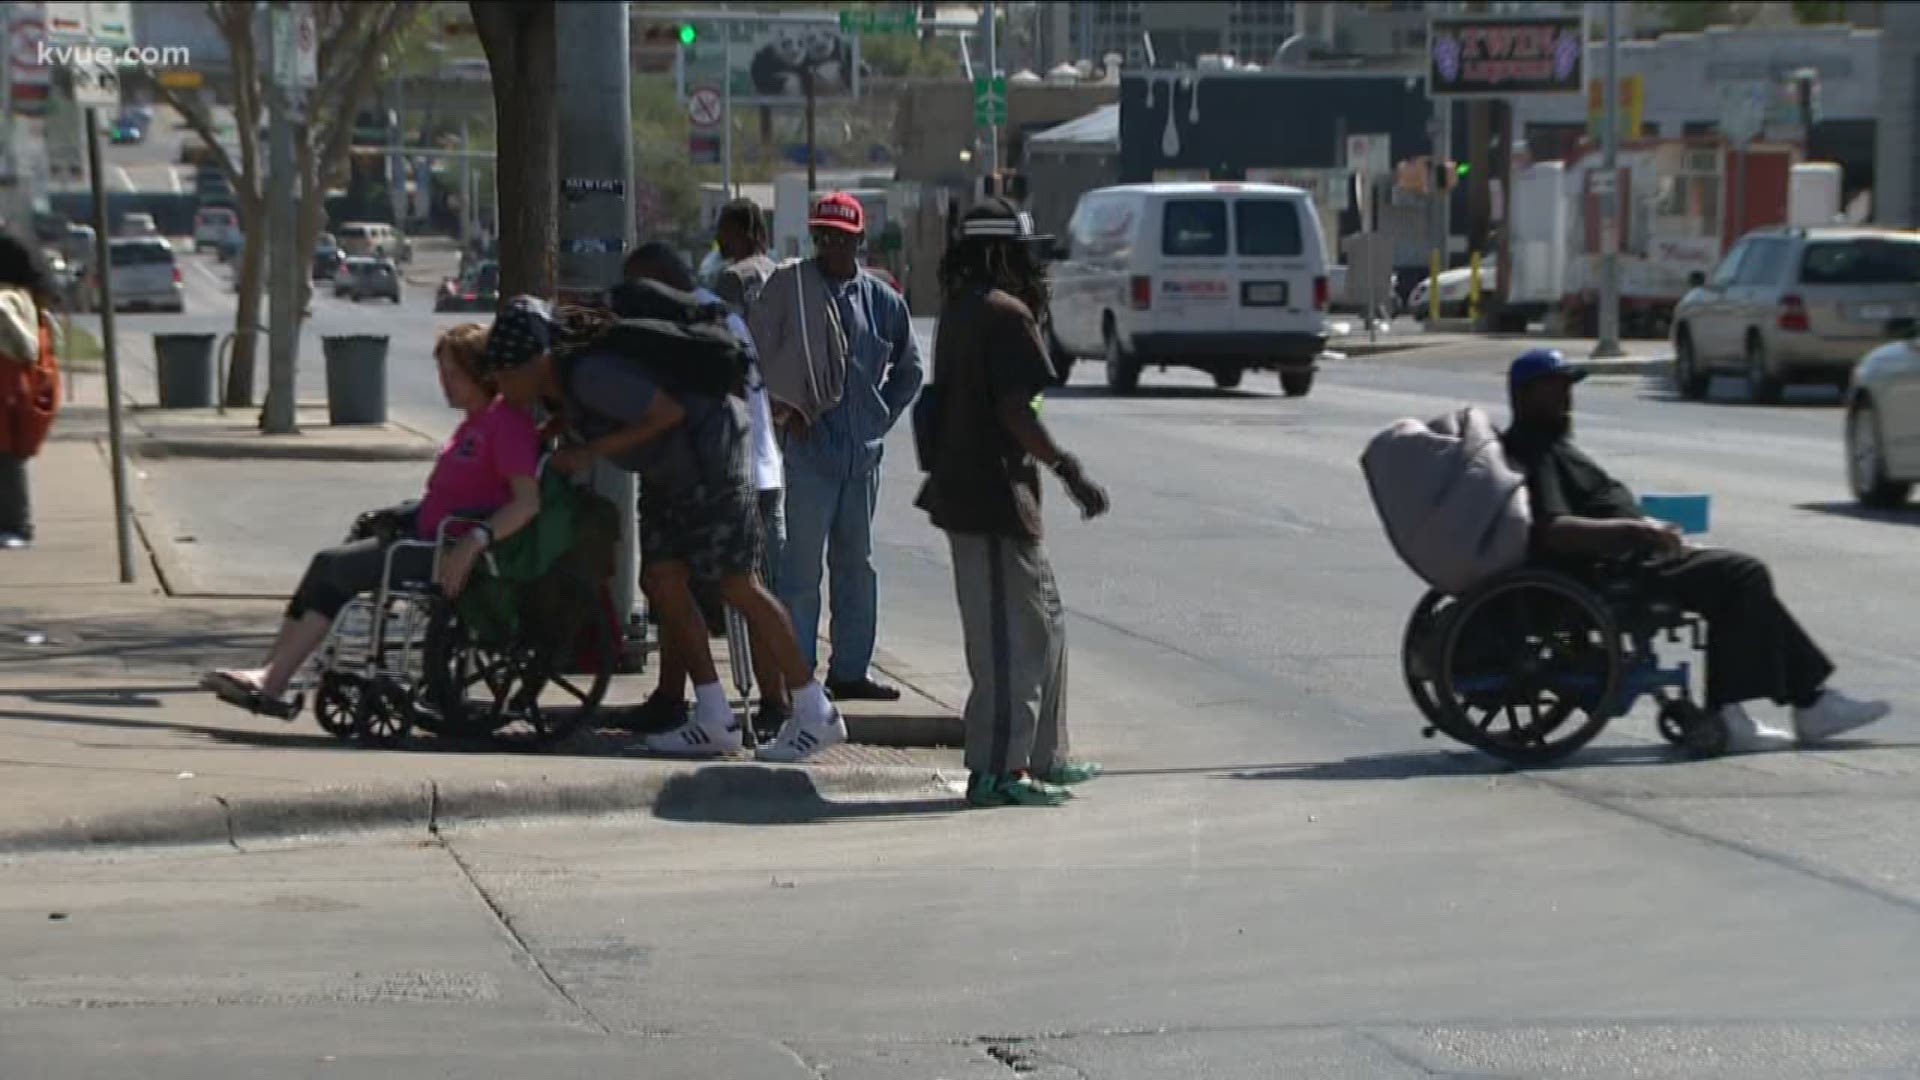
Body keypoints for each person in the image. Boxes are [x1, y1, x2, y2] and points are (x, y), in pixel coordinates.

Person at [482, 295, 847, 762]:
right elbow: (601, 414)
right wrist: (551, 431)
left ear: (534, 362)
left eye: (505, 373)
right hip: (669, 476)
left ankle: (816, 712)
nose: (501, 384)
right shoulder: (565, 384)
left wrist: (589, 453)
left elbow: (665, 414)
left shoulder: (590, 374)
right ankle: (714, 717)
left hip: (711, 463)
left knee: (738, 585)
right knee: (661, 580)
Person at [1500, 348, 1889, 751]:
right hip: (1612, 573)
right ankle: (1743, 711)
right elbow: (1554, 530)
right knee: (1740, 575)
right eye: (1555, 388)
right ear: (1526, 395)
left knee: (1733, 573)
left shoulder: (1549, 443)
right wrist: (1636, 530)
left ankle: (1811, 701)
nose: (1567, 397)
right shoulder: (1536, 451)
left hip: (1628, 558)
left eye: (1568, 387)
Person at [201, 324, 541, 717]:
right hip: (423, 535)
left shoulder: (507, 425)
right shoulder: (472, 422)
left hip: (451, 549)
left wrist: (475, 541)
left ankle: (273, 679)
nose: (444, 384)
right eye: (442, 373)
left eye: (453, 374)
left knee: (337, 567)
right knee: (325, 564)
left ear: (481, 372)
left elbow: (526, 503)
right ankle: (268, 673)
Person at [916, 198, 1112, 807]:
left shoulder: (963, 310)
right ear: (1000, 252)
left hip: (990, 498)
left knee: (1045, 623)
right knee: (1009, 641)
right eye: (1026, 252)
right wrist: (1067, 468)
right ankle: (998, 769)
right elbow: (1015, 410)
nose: (1036, 265)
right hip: (990, 499)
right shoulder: (1004, 315)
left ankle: (1043, 755)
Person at [750, 191, 924, 702]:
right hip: (809, 454)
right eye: (822, 236)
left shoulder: (882, 301)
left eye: (841, 238)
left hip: (861, 457)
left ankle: (850, 670)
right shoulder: (791, 289)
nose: (830, 247)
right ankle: (797, 673)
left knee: (856, 565)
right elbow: (758, 355)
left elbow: (909, 371)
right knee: (801, 569)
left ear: (859, 241)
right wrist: (785, 411)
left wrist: (879, 418)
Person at [618, 242, 792, 741]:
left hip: (731, 475)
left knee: (744, 590)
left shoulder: (698, 321)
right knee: (673, 587)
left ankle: (780, 703)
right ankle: (672, 696)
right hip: (724, 471)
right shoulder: (710, 314)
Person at [0, 234, 59, 550]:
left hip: (9, 378)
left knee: (7, 453)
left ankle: (17, 525)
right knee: (7, 453)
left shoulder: (10, 298)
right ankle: (14, 523)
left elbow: (26, 346)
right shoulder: (26, 297)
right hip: (14, 376)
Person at [712, 197, 776, 314]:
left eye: (723, 228)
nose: (719, 237)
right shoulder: (774, 270)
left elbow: (724, 325)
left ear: (737, 231)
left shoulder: (733, 277)